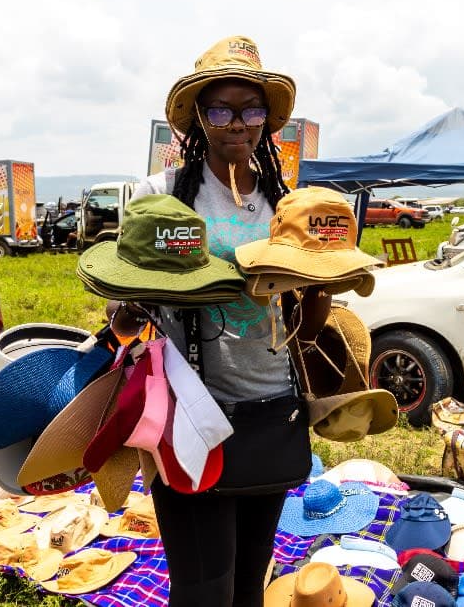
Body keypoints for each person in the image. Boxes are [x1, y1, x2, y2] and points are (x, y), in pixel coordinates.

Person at [108, 36, 331, 607]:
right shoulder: (164, 197)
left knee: (250, 580)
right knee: (203, 586)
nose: (239, 123)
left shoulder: (286, 204)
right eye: (221, 110)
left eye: (252, 110)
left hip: (271, 408)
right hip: (188, 415)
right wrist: (138, 300)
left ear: (268, 122)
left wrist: (321, 284)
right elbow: (121, 313)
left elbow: (305, 326)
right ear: (199, 120)